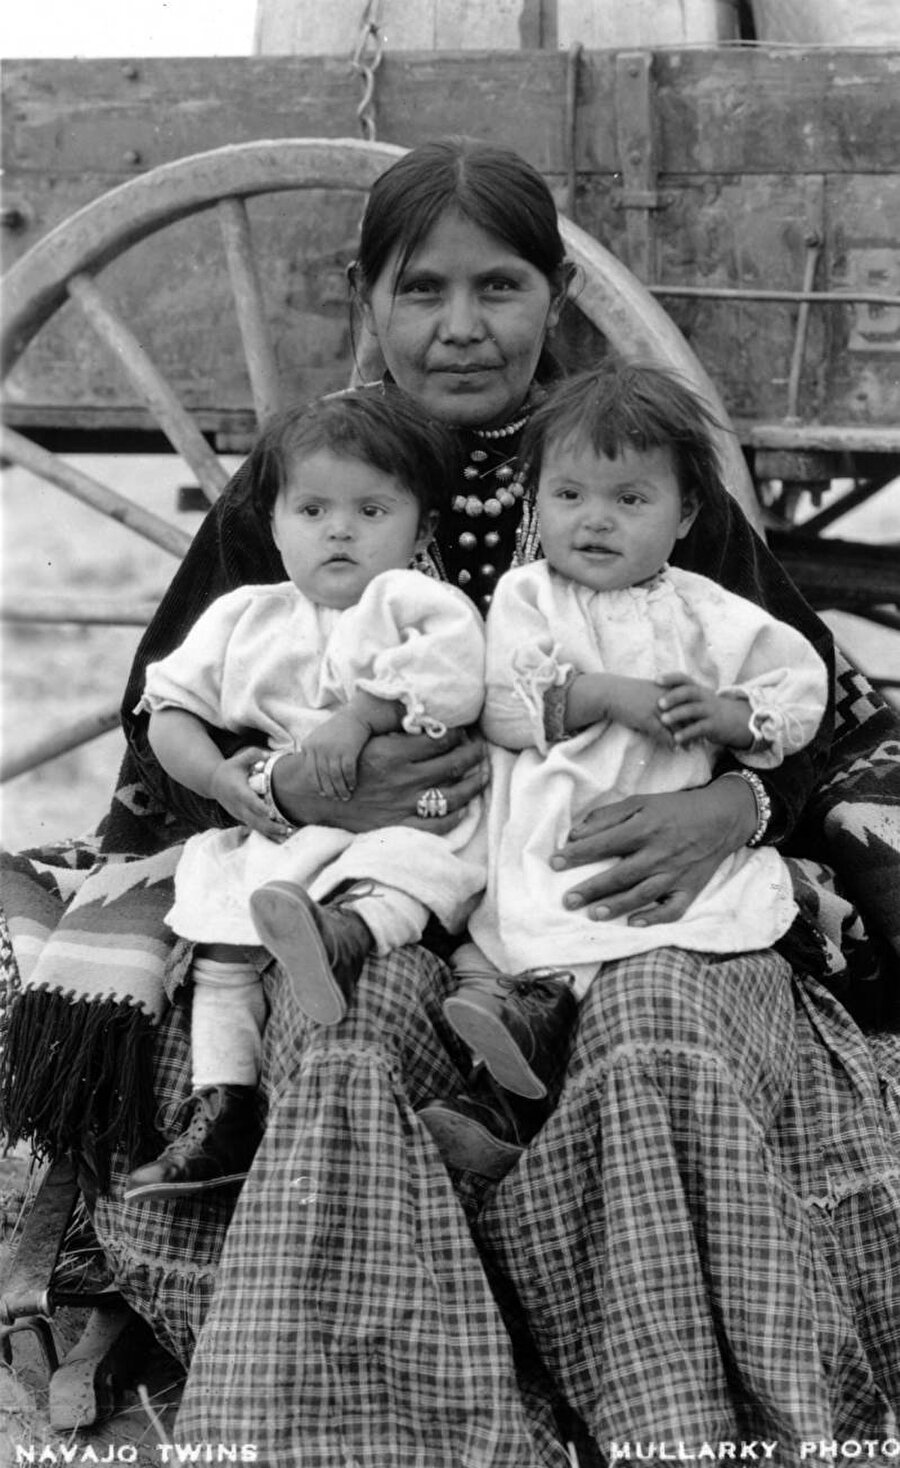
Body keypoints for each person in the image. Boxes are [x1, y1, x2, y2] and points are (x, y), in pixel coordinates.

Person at [1, 137, 899, 1463]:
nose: (463, 328)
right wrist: (283, 787)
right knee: (342, 1033)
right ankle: (361, 1418)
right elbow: (168, 730)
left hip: (615, 901)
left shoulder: (633, 472)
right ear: (368, 295)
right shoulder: (307, 488)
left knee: (658, 1029)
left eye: (500, 288)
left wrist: (733, 813)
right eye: (422, 290)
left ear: (554, 296)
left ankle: (697, 1417)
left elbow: (819, 708)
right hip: (392, 901)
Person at [420, 362, 830, 1174]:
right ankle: (501, 1088)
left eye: (630, 500)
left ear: (685, 519)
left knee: (631, 946)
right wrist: (602, 695)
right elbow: (501, 707)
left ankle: (526, 1072)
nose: (595, 522)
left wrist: (729, 716)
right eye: (569, 497)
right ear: (538, 502)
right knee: (525, 924)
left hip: (664, 820)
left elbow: (799, 688)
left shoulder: (704, 607)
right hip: (549, 821)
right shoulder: (529, 597)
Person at [122, 390, 487, 1201]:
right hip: (288, 832)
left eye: (371, 510)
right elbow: (170, 713)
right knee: (223, 951)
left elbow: (455, 687)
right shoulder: (245, 618)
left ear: (421, 529)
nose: (340, 530)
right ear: (274, 521)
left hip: (406, 827)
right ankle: (223, 1108)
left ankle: (347, 937)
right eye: (312, 508)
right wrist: (222, 777)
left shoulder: (425, 609)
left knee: (412, 870)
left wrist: (361, 716)